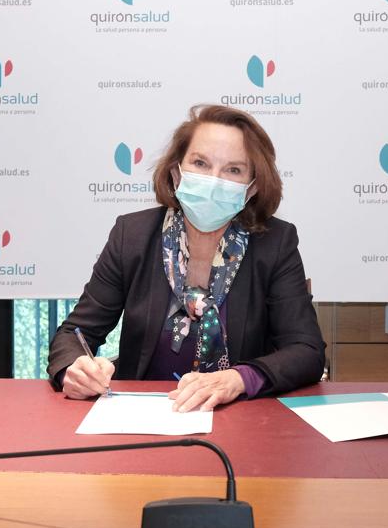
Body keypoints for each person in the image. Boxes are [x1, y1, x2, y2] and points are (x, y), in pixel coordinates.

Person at [48, 104, 326, 412]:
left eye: (233, 170)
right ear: (176, 172)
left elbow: (307, 351)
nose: (214, 180)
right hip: (140, 417)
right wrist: (74, 369)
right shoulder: (133, 235)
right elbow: (74, 335)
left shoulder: (274, 242)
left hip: (239, 418)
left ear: (252, 188)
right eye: (201, 163)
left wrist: (238, 379)